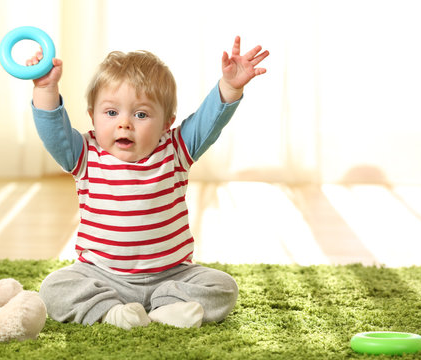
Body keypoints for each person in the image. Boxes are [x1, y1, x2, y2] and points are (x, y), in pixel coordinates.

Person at [29, 36, 269, 329]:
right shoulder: (86, 154)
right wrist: (45, 88)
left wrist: (230, 87)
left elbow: (209, 122)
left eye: (141, 114)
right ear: (93, 116)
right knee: (54, 286)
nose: (124, 123)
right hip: (103, 276)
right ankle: (110, 311)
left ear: (166, 122)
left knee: (223, 286)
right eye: (111, 112)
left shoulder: (176, 149)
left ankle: (168, 306)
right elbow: (54, 131)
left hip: (172, 276)